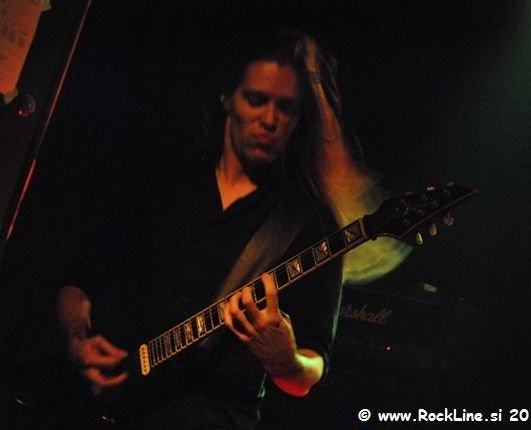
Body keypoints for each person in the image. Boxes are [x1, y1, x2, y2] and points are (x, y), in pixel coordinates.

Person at [56, 32, 365, 429]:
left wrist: (287, 361)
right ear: (227, 99)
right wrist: (77, 341)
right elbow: (76, 284)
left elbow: (310, 370)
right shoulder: (161, 182)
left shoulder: (311, 226)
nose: (270, 120)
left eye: (286, 108)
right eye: (256, 100)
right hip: (99, 407)